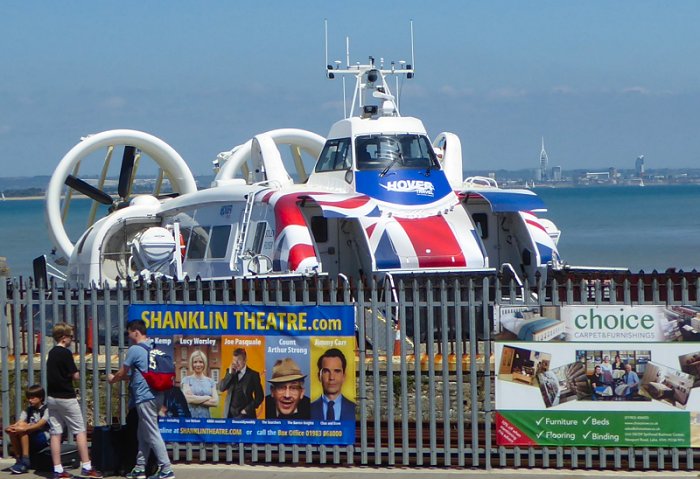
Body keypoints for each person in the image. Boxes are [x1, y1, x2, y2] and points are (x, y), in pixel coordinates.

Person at [108, 320, 174, 479]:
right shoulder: (153, 348)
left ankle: (166, 469)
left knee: (152, 432)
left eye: (129, 333)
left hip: (145, 397)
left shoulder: (135, 349)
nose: (128, 337)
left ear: (135, 332)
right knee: (142, 433)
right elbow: (136, 375)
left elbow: (123, 372)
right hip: (157, 395)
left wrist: (112, 379)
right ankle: (139, 468)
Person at [46, 323, 102, 479]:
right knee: (79, 430)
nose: (72, 339)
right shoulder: (65, 353)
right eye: (71, 337)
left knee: (55, 432)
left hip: (52, 397)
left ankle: (58, 469)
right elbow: (75, 375)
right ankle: (87, 466)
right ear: (64, 338)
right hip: (66, 397)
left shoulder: (51, 353)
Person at [4, 384, 50, 474]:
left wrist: (24, 429)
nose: (30, 400)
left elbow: (39, 425)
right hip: (31, 435)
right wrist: (11, 428)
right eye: (29, 398)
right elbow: (19, 422)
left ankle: (25, 460)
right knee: (16, 429)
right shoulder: (28, 410)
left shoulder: (46, 410)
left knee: (23, 428)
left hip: (44, 437)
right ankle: (18, 459)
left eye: (32, 398)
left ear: (40, 398)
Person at [310, 348, 356, 421]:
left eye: (337, 371)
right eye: (326, 371)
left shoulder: (354, 409)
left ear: (344, 376)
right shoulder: (308, 410)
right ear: (319, 376)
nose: (331, 377)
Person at [217, 348, 264, 419]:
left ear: (245, 360)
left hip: (246, 416)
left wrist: (247, 410)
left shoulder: (253, 375)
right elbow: (221, 388)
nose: (236, 363)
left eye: (238, 360)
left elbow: (260, 397)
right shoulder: (230, 372)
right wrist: (230, 374)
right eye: (234, 360)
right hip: (229, 416)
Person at [180, 350, 218, 418]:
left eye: (200, 362)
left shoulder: (211, 382)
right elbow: (188, 399)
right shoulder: (186, 380)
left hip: (206, 419)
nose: (198, 365)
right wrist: (207, 397)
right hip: (190, 418)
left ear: (204, 363)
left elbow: (215, 402)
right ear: (192, 364)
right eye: (195, 362)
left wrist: (194, 399)